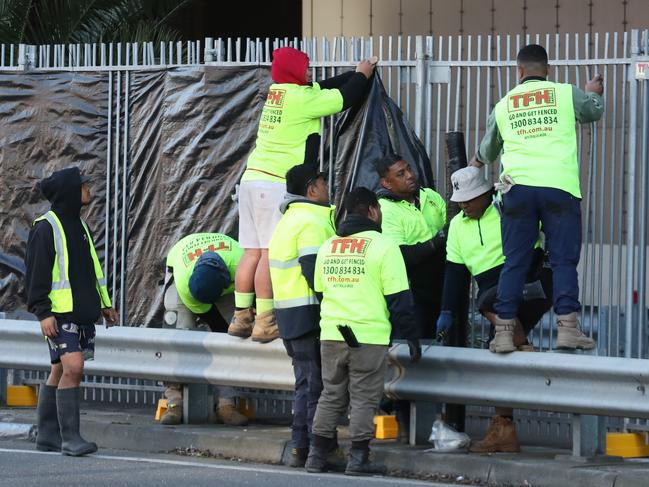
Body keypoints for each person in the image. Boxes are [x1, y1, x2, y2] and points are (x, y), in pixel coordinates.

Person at [229, 46, 377, 344]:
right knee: (269, 255)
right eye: (306, 68)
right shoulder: (302, 99)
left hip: (251, 180)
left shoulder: (278, 93)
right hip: (274, 184)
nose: (310, 73)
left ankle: (241, 316)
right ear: (294, 72)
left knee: (251, 252)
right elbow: (344, 98)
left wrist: (352, 73)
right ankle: (265, 321)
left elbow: (321, 86)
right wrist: (362, 75)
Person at [470, 44, 603, 352]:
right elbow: (593, 110)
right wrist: (593, 91)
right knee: (562, 261)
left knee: (514, 261)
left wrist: (474, 162)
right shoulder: (565, 93)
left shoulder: (504, 104)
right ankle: (568, 328)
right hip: (559, 188)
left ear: (519, 72)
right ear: (547, 70)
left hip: (517, 190)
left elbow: (488, 150)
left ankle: (503, 333)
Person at [305, 187, 421, 476]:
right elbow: (399, 299)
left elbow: (320, 291)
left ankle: (316, 456)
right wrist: (412, 337)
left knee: (331, 395)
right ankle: (358, 458)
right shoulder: (383, 246)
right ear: (371, 211)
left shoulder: (328, 246)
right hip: (367, 337)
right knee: (363, 399)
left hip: (331, 333)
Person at [437, 167, 552, 453]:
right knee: (502, 355)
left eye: (470, 198)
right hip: (494, 293)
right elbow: (454, 270)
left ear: (487, 193)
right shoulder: (457, 225)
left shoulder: (505, 210)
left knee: (487, 303)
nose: (464, 204)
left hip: (524, 281)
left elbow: (535, 245)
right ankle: (504, 428)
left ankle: (522, 344)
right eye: (460, 200)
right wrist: (447, 310)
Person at [25, 167, 118, 456]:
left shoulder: (80, 225)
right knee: (74, 368)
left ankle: (47, 436)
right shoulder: (45, 227)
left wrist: (105, 303)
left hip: (82, 313)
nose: (89, 189)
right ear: (70, 191)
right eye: (84, 185)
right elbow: (36, 274)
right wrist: (43, 313)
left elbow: (93, 270)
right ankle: (70, 438)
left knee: (59, 369)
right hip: (59, 315)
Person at [268, 164, 336, 468]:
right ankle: (318, 450)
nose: (326, 187)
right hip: (310, 315)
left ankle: (299, 447)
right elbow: (313, 269)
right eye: (322, 182)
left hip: (288, 316)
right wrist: (333, 304)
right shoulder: (311, 220)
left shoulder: (287, 221)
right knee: (317, 388)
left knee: (305, 385)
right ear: (311, 189)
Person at [375, 154, 446, 441]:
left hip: (439, 291)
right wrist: (434, 244)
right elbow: (400, 256)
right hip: (411, 293)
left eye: (408, 169)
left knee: (434, 357)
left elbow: (451, 224)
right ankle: (401, 421)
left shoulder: (430, 197)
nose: (410, 175)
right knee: (407, 357)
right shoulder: (386, 209)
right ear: (386, 182)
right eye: (400, 174)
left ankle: (427, 423)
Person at [161, 233, 248, 427]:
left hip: (228, 276)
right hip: (180, 269)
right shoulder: (186, 284)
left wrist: (231, 333)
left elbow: (224, 328)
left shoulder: (241, 262)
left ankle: (226, 404)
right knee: (176, 336)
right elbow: (213, 321)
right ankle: (174, 402)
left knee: (232, 337)